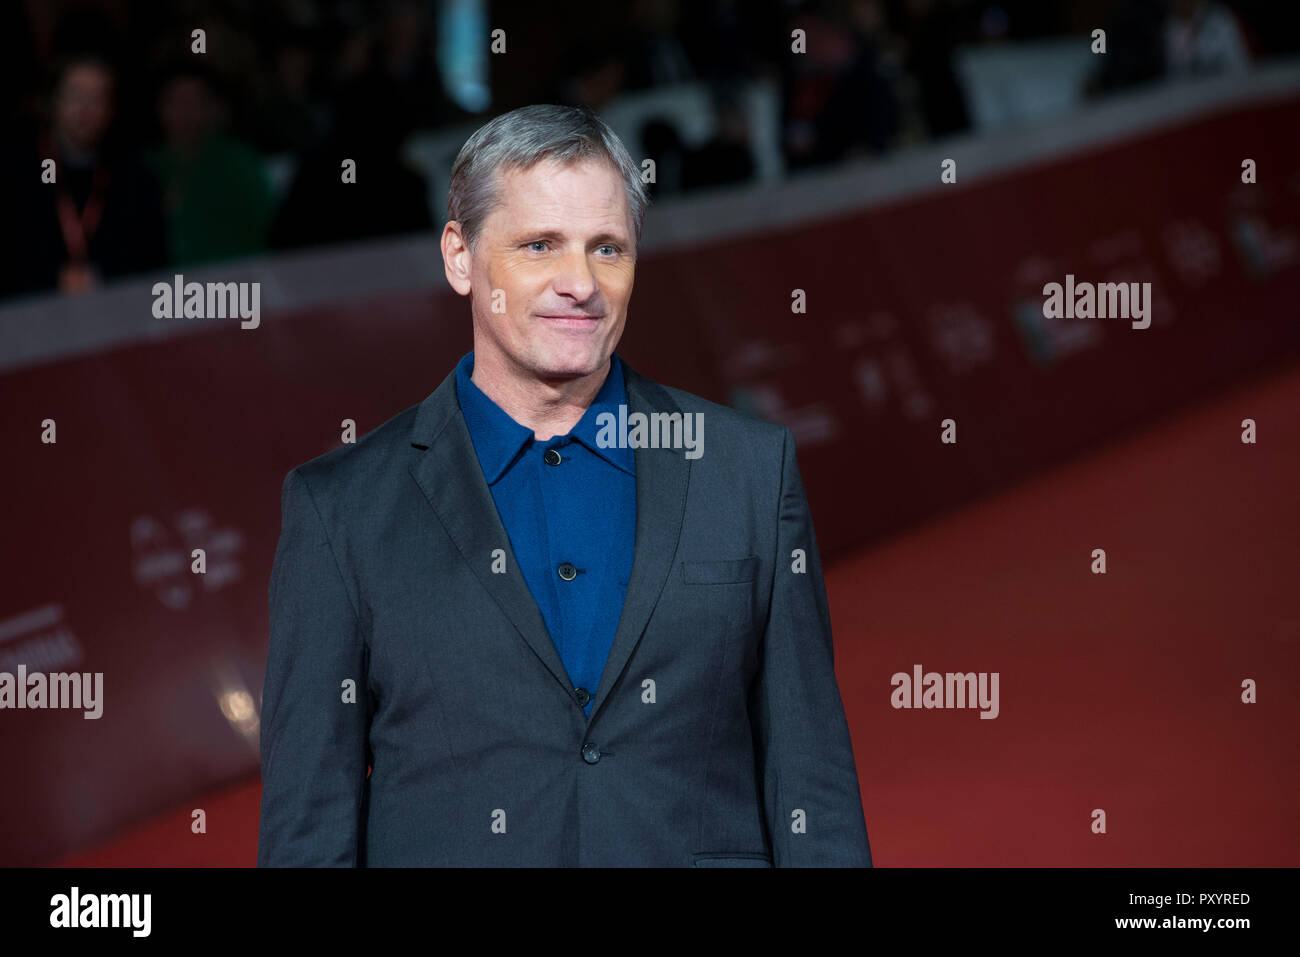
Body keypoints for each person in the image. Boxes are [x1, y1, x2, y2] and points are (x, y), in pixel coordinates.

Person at [257, 104, 871, 867]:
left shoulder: (746, 468)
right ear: (460, 256)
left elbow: (810, 777)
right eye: (539, 245)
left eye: (607, 248)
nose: (580, 283)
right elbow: (308, 826)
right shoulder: (340, 509)